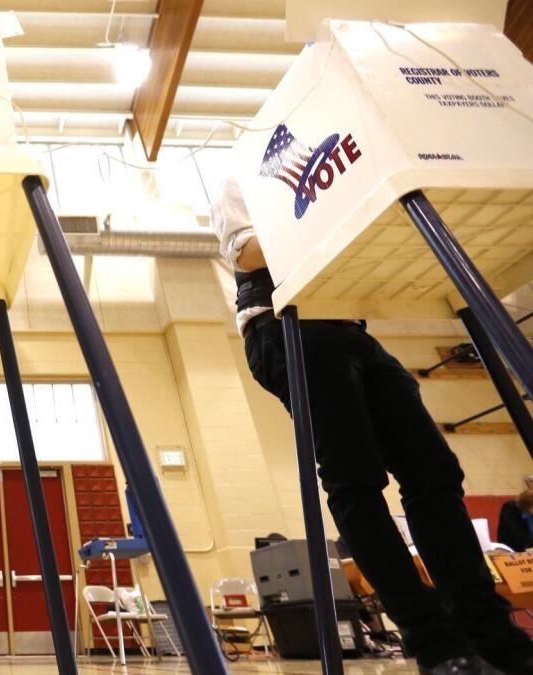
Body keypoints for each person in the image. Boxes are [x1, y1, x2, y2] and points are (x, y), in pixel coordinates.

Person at [213, 176, 533, 675]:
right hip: (282, 321)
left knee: (434, 470)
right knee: (355, 478)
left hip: (348, 325)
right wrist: (328, 212)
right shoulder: (246, 174)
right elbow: (246, 254)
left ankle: (489, 635)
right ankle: (435, 644)